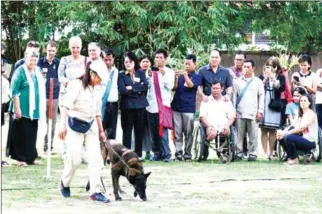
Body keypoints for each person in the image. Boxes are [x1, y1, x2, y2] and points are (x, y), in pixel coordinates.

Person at [58, 60, 110, 202]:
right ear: (91, 73)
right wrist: (62, 125)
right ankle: (65, 182)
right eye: (98, 77)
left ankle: (95, 191)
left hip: (91, 125)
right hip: (74, 124)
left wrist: (101, 131)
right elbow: (65, 105)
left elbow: (97, 112)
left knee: (96, 159)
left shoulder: (98, 89)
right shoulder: (76, 86)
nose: (99, 81)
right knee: (74, 159)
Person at [7, 50, 46, 166]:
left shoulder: (38, 70)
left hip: (34, 110)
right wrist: (17, 108)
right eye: (30, 59)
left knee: (31, 134)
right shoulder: (20, 71)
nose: (33, 62)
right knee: (21, 134)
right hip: (22, 108)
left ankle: (31, 157)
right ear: (25, 59)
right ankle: (20, 158)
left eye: (35, 60)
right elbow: (14, 91)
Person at [198, 48, 233, 160]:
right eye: (212, 57)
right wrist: (202, 96)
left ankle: (222, 151)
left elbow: (229, 87)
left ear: (220, 59)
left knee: (224, 125)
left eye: (216, 57)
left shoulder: (226, 72)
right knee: (207, 125)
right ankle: (204, 150)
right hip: (208, 102)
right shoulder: (202, 70)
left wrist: (227, 95)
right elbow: (199, 86)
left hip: (222, 102)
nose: (214, 59)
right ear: (209, 58)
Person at [58, 36, 89, 160]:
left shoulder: (86, 60)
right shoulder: (64, 59)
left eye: (77, 47)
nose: (75, 50)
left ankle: (82, 153)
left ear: (81, 47)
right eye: (73, 47)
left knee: (82, 122)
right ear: (69, 47)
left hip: (82, 96)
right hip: (67, 93)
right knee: (65, 121)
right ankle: (66, 151)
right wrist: (68, 82)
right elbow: (60, 76)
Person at [118, 51, 149, 159]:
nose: (127, 64)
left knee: (139, 131)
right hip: (127, 107)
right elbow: (122, 90)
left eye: (130, 61)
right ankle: (126, 155)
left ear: (134, 62)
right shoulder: (121, 74)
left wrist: (132, 88)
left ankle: (138, 154)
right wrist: (138, 89)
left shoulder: (140, 73)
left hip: (140, 107)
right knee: (127, 131)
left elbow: (145, 87)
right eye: (126, 62)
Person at [171, 54, 202, 161]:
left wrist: (185, 75)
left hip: (188, 108)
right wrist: (175, 78)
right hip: (176, 107)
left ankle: (188, 153)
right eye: (185, 63)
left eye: (189, 64)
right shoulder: (180, 76)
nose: (186, 66)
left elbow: (190, 85)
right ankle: (178, 153)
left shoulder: (197, 76)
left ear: (195, 64)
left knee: (188, 133)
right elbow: (174, 88)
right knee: (177, 132)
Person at [146, 49, 175, 162]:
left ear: (166, 59)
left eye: (161, 57)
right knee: (153, 131)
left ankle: (166, 154)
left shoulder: (169, 72)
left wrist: (163, 74)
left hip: (163, 105)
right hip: (151, 106)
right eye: (156, 57)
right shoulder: (150, 72)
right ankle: (156, 153)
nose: (158, 60)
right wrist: (148, 77)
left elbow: (170, 86)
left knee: (163, 131)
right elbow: (147, 87)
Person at [233, 59, 264, 161]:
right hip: (240, 112)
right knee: (239, 135)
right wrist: (233, 111)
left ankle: (253, 154)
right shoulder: (237, 82)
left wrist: (260, 111)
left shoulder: (258, 82)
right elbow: (234, 98)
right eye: (244, 67)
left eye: (248, 67)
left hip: (253, 112)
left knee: (253, 135)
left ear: (253, 68)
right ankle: (238, 153)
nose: (245, 69)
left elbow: (261, 97)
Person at [277, 94, 318, 165]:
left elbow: (301, 128)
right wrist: (282, 132)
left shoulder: (311, 114)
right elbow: (293, 126)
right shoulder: (299, 114)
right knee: (281, 138)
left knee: (289, 137)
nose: (302, 102)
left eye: (305, 101)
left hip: (310, 141)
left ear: (309, 103)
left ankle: (295, 159)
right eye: (301, 101)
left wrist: (286, 133)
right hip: (301, 138)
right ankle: (291, 156)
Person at [259, 57, 285, 160]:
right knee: (264, 130)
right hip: (264, 104)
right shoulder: (262, 76)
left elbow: (280, 88)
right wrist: (265, 77)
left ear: (277, 67)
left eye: (274, 66)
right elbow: (259, 88)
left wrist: (273, 78)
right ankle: (265, 153)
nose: (271, 68)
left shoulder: (281, 77)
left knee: (273, 130)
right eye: (269, 66)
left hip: (274, 104)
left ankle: (271, 152)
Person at [37, 41, 60, 153]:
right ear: (45, 50)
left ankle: (48, 146)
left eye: (53, 51)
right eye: (49, 50)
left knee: (52, 122)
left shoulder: (58, 62)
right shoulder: (39, 62)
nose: (51, 52)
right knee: (40, 122)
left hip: (54, 97)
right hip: (41, 97)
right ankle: (34, 146)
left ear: (56, 51)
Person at [101, 49, 119, 139]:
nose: (108, 62)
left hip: (113, 105)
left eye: (110, 59)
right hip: (102, 104)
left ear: (113, 59)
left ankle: (111, 152)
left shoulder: (116, 72)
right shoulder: (99, 71)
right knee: (101, 130)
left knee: (112, 131)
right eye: (105, 59)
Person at [139, 54, 153, 160]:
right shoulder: (135, 74)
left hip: (151, 106)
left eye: (147, 61)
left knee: (149, 129)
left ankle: (149, 152)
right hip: (138, 105)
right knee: (139, 129)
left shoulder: (153, 74)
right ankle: (138, 151)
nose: (145, 63)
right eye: (143, 61)